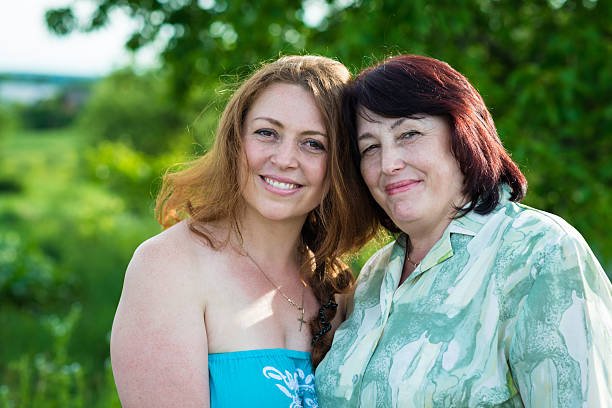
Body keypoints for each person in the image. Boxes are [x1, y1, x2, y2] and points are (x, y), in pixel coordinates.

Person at [315, 54, 612, 407]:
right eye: (371, 148)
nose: (389, 164)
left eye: (409, 134)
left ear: (463, 133)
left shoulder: (539, 251)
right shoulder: (374, 276)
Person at [110, 55, 377, 408]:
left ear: (341, 165)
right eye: (267, 133)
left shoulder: (337, 288)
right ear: (236, 141)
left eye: (314, 143)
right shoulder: (168, 267)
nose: (284, 159)